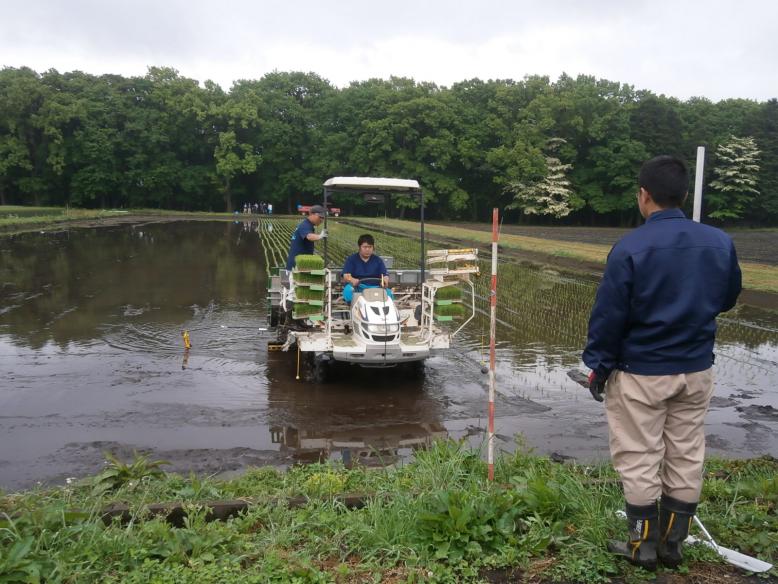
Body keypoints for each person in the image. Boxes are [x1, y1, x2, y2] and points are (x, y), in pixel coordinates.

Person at [583, 155, 742, 571]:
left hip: (642, 373)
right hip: (695, 369)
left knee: (639, 455)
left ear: (643, 195)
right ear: (684, 195)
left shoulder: (631, 247)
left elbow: (609, 316)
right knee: (687, 453)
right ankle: (673, 546)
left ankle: (643, 549)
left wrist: (598, 366)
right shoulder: (719, 242)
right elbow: (726, 298)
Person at [342, 234, 393, 303]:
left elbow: (385, 275)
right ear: (359, 247)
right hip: (358, 287)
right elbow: (346, 276)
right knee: (348, 290)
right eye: (365, 247)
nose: (367, 249)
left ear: (373, 247)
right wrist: (352, 280)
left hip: (375, 287)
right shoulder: (351, 259)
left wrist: (385, 281)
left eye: (370, 247)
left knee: (389, 293)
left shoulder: (378, 260)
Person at [285, 204, 327, 270]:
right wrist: (320, 236)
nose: (322, 220)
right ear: (312, 214)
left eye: (323, 218)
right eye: (320, 217)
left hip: (302, 264)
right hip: (296, 266)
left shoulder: (309, 225)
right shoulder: (305, 225)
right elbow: (309, 236)